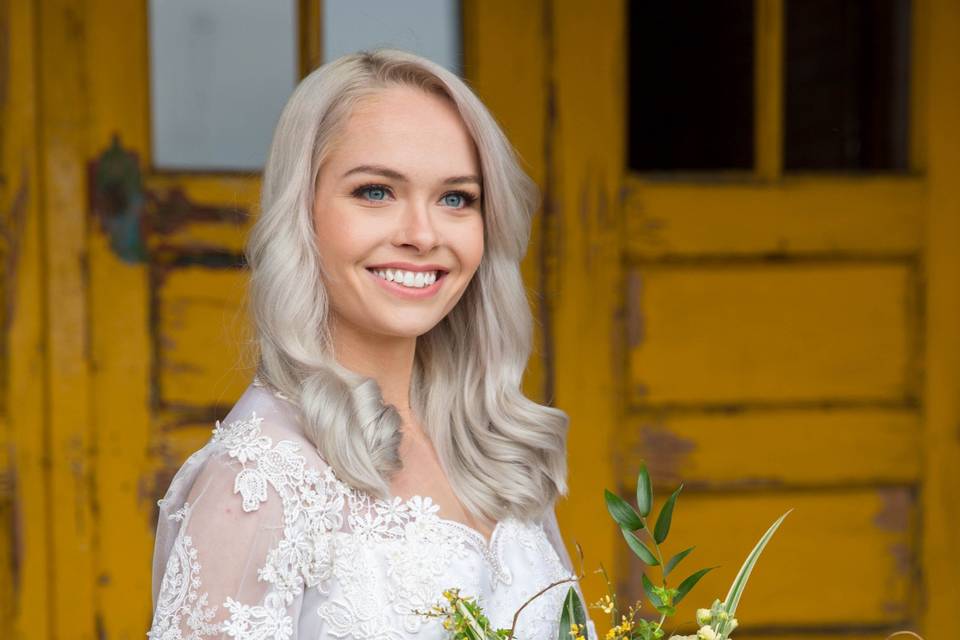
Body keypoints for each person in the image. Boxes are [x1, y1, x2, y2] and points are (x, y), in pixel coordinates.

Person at [147, 48, 595, 639]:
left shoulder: (492, 450)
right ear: (301, 212)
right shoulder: (255, 484)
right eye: (376, 192)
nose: (422, 235)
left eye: (456, 198)